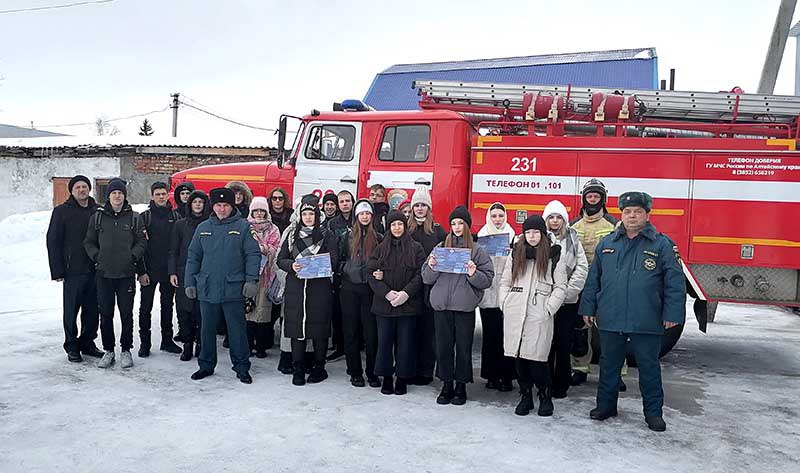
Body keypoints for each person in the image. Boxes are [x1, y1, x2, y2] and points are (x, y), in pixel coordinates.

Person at [579, 191, 686, 432]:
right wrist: (588, 307)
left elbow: (675, 283)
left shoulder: (662, 244)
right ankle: (606, 406)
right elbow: (593, 279)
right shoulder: (607, 244)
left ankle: (653, 413)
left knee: (648, 368)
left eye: (638, 211)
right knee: (608, 366)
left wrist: (672, 315)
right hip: (611, 316)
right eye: (627, 212)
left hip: (646, 318)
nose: (632, 216)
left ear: (647, 214)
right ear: (621, 215)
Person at [185, 187, 260, 384]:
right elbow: (193, 257)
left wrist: (251, 280)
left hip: (233, 288)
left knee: (237, 330)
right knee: (207, 330)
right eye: (218, 205)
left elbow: (252, 255)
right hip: (207, 288)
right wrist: (189, 282)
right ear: (213, 206)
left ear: (231, 206)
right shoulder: (203, 228)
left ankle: (242, 367)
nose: (221, 209)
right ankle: (206, 365)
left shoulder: (243, 227)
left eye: (225, 205)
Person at [422, 205, 494, 406]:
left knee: (463, 348)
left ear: (467, 225)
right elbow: (426, 277)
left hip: (463, 308)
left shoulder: (477, 250)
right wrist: (431, 266)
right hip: (442, 306)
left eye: (460, 223)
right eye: (453, 223)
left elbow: (487, 278)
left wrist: (473, 273)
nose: (456, 227)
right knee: (443, 347)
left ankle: (461, 385)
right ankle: (446, 384)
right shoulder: (440, 248)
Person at [498, 215, 567, 417]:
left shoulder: (554, 255)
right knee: (519, 358)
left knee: (538, 359)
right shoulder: (516, 253)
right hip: (516, 310)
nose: (532, 236)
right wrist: (505, 302)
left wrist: (549, 308)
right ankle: (525, 395)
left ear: (542, 233)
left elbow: (561, 287)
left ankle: (545, 396)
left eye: (536, 232)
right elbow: (505, 281)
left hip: (539, 312)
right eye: (528, 232)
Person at [84, 178, 147, 370]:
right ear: (108, 196)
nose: (117, 196)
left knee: (126, 314)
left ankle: (126, 349)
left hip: (126, 274)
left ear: (124, 195)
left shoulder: (134, 217)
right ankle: (109, 350)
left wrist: (132, 257)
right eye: (113, 193)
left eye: (120, 192)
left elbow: (142, 242)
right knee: (106, 314)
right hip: (104, 274)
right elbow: (88, 242)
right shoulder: (98, 217)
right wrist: (97, 257)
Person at [277, 198, 340, 386]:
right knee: (298, 330)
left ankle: (319, 368)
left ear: (317, 215)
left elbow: (334, 260)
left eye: (311, 214)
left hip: (319, 288)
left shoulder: (327, 235)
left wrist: (316, 265)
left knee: (319, 329)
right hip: (296, 288)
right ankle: (298, 368)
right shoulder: (291, 235)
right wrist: (292, 265)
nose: (308, 217)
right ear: (300, 216)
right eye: (304, 214)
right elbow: (281, 259)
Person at [368, 211, 426, 395]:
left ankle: (402, 377)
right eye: (393, 225)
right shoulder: (380, 248)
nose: (397, 228)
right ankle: (386, 377)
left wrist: (406, 294)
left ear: (405, 226)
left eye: (400, 224)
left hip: (408, 305)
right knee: (384, 342)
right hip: (384, 306)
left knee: (405, 343)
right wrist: (386, 293)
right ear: (389, 227)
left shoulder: (416, 248)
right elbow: (371, 273)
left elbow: (420, 274)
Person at [46, 175, 103, 362]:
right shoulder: (62, 211)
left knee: (93, 310)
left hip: (94, 268)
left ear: (89, 189)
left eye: (84, 186)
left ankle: (87, 342)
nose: (81, 190)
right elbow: (53, 241)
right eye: (77, 187)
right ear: (72, 190)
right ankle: (71, 346)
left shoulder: (98, 211)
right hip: (73, 269)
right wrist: (57, 270)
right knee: (71, 310)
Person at [569, 178, 619, 386]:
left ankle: (617, 373)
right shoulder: (573, 225)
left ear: (603, 199)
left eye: (596, 196)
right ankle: (580, 369)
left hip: (606, 285)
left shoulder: (614, 224)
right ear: (584, 199)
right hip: (581, 284)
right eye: (589, 196)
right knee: (580, 330)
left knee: (611, 331)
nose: (592, 200)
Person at [542, 200, 588, 399]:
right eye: (551, 217)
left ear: (564, 220)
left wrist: (568, 293)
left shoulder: (574, 239)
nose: (554, 220)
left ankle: (561, 384)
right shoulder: (539, 238)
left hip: (568, 302)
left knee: (562, 343)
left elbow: (582, 267)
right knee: (544, 344)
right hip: (544, 300)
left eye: (558, 217)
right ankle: (544, 382)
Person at [339, 199, 381, 388]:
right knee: (351, 332)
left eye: (367, 213)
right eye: (361, 213)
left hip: (371, 291)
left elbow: (384, 261)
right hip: (349, 289)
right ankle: (355, 371)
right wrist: (347, 268)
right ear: (356, 216)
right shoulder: (345, 237)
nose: (364, 216)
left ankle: (372, 372)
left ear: (371, 216)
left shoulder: (379, 237)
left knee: (371, 334)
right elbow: (336, 260)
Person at [137, 181, 182, 357]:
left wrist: (175, 271)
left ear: (168, 195)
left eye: (164, 194)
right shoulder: (144, 217)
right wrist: (141, 271)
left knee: (167, 306)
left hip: (169, 271)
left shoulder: (176, 217)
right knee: (145, 307)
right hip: (149, 270)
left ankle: (167, 340)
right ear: (152, 196)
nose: (161, 197)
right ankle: (145, 343)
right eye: (157, 194)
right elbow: (139, 245)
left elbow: (178, 246)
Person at [407, 185, 446, 386]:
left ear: (429, 208)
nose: (420, 209)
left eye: (423, 205)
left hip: (432, 287)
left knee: (429, 331)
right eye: (417, 205)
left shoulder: (438, 231)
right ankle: (409, 368)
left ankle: (425, 370)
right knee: (411, 331)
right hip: (411, 286)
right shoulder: (406, 229)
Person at [476, 202, 516, 392]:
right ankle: (491, 375)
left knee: (506, 336)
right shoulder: (482, 236)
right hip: (488, 293)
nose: (497, 219)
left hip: (507, 292)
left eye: (500, 216)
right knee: (490, 336)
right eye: (494, 216)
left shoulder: (513, 237)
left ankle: (507, 376)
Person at [169, 190, 209, 361]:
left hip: (204, 273)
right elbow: (172, 250)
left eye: (201, 202)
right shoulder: (180, 225)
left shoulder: (209, 224)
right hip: (183, 272)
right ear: (190, 204)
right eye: (195, 202)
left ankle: (201, 343)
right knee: (184, 310)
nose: (198, 205)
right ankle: (187, 344)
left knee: (202, 311)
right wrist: (172, 272)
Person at [245, 196, 281, 358]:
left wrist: (261, 247)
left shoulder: (273, 229)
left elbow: (276, 248)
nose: (259, 214)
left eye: (262, 211)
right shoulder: (245, 227)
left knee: (263, 313)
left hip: (266, 276)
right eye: (256, 210)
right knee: (247, 312)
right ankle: (247, 344)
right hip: (249, 276)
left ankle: (261, 346)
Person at [325, 189, 355, 361]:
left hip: (355, 271)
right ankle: (339, 346)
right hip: (337, 272)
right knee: (337, 311)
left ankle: (353, 345)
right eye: (342, 201)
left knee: (352, 313)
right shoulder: (332, 224)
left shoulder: (359, 219)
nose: (345, 204)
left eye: (348, 201)